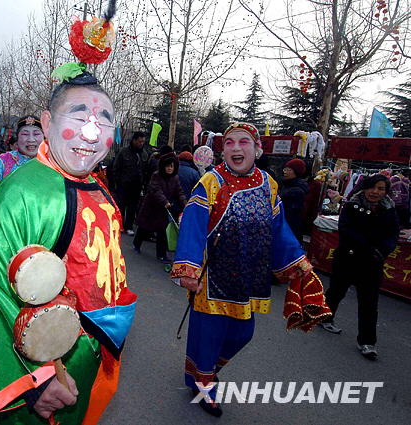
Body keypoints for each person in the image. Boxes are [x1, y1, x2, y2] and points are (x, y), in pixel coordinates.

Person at [0, 67, 137, 424]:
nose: (92, 132)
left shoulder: (99, 185)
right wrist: (36, 379)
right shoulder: (23, 193)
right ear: (47, 122)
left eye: (104, 121)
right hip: (51, 362)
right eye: (78, 116)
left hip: (97, 347)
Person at [171, 122, 331, 416]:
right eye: (229, 143)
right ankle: (204, 384)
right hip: (212, 278)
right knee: (208, 336)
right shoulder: (210, 182)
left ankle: (205, 370)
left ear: (257, 149)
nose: (235, 148)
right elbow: (193, 226)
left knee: (242, 334)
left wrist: (298, 264)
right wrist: (187, 269)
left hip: (249, 277)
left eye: (243, 142)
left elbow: (278, 229)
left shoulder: (268, 184)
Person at [320, 174, 399, 360]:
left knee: (369, 302)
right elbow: (345, 230)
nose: (375, 192)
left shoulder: (389, 210)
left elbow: (393, 235)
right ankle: (325, 317)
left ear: (386, 192)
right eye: (372, 187)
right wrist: (367, 246)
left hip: (372, 262)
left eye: (381, 189)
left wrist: (382, 251)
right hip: (348, 257)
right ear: (365, 187)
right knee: (337, 291)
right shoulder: (351, 205)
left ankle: (367, 342)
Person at [133, 152, 186, 262]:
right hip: (151, 206)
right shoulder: (156, 175)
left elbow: (179, 192)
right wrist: (164, 201)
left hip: (163, 209)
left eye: (171, 166)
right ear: (163, 166)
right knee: (144, 227)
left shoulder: (175, 178)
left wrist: (185, 204)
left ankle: (161, 255)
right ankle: (136, 245)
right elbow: (156, 190)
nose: (169, 168)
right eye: (167, 166)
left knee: (162, 232)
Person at [113, 131, 147, 235]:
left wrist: (143, 183)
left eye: (143, 142)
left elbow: (145, 170)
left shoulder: (143, 154)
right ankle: (119, 225)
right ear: (134, 140)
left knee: (132, 207)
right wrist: (117, 182)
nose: (141, 144)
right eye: (139, 141)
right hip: (123, 184)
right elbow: (116, 168)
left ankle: (129, 226)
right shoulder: (124, 152)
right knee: (121, 206)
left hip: (137, 186)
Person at [280, 158, 309, 241]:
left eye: (289, 170)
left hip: (288, 229)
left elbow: (292, 216)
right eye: (285, 169)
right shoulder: (287, 185)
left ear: (296, 172)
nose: (285, 172)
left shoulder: (296, 191)